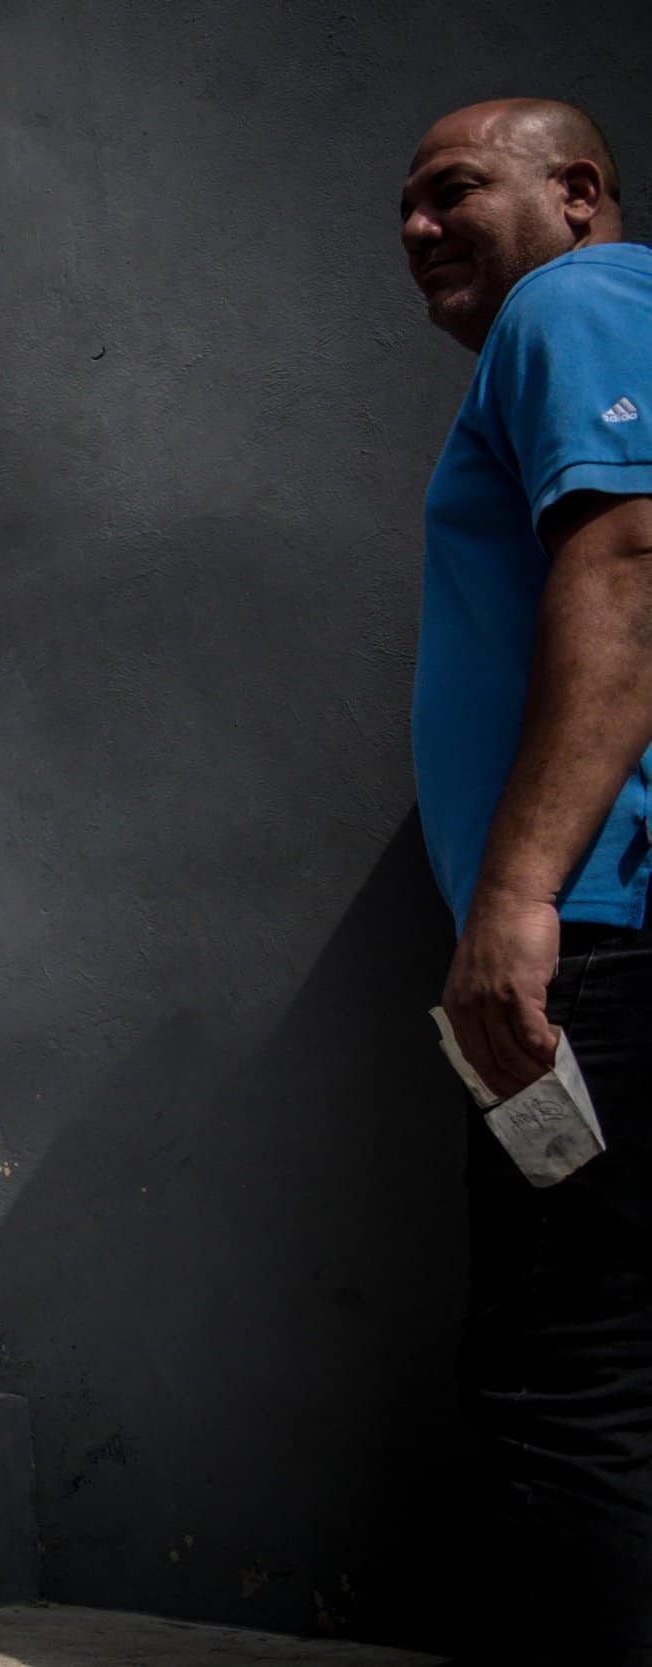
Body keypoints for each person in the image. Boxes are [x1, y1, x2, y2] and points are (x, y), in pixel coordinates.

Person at [400, 99, 652, 1663]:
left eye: (449, 192)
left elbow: (625, 553)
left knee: (568, 1382)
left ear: (572, 193)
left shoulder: (577, 299)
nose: (417, 229)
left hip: (604, 935)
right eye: (404, 212)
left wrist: (514, 896)